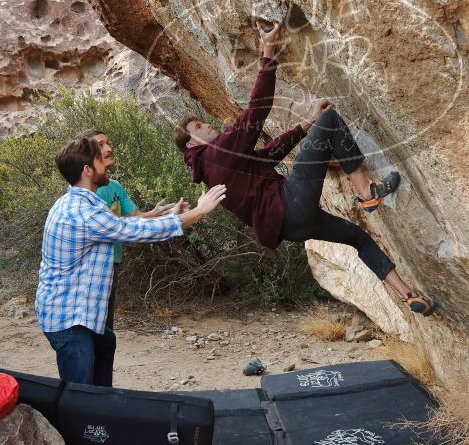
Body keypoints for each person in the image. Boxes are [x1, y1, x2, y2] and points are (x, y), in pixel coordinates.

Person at [175, 22, 436, 316]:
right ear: (190, 144)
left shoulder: (213, 171)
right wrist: (268, 52)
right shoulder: (216, 153)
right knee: (331, 121)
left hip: (292, 227)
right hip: (290, 203)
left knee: (358, 238)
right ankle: (366, 192)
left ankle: (409, 295)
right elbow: (257, 109)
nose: (206, 125)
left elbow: (267, 156)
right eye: (198, 126)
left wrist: (306, 123)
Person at [35, 136, 226, 386]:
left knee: (105, 347)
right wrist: (199, 211)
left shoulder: (77, 204)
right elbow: (136, 232)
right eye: (99, 159)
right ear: (87, 170)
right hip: (69, 319)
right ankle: (84, 423)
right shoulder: (83, 213)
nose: (106, 162)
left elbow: (122, 225)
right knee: (79, 397)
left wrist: (167, 215)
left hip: (75, 314)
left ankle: (101, 419)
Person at [78, 129, 188, 332]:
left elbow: (133, 218)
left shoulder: (115, 186)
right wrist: (175, 219)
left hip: (113, 261)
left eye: (108, 143)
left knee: (105, 323)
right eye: (100, 145)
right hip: (93, 265)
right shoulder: (89, 192)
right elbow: (120, 227)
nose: (109, 149)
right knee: (91, 324)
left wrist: (158, 214)